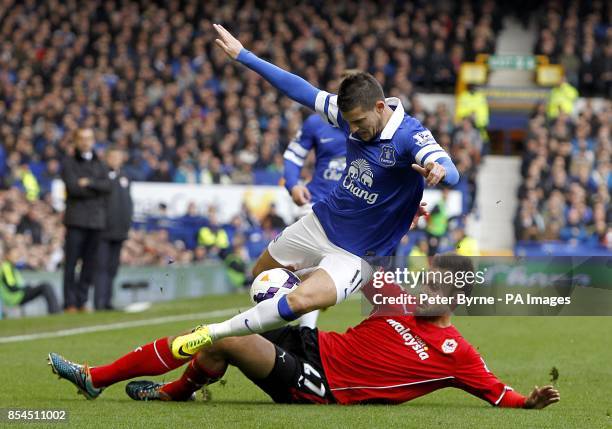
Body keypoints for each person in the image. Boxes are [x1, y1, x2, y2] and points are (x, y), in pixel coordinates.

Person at [167, 24, 460, 359]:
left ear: (381, 107)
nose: (352, 130)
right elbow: (299, 89)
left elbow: (448, 169)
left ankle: (212, 334)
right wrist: (244, 56)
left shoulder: (410, 136)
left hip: (357, 253)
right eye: (348, 122)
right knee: (260, 278)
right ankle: (287, 319)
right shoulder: (349, 115)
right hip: (321, 222)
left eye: (359, 121)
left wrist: (439, 170)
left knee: (299, 301)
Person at [47, 254, 559, 410]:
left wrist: (529, 402)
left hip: (321, 386)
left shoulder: (457, 352)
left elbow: (498, 393)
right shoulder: (396, 302)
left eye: (436, 287)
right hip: (314, 346)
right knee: (247, 318)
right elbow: (358, 265)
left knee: (223, 337)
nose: (422, 289)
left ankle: (102, 378)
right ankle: (176, 391)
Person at [283, 72, 352, 329]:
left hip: (352, 211)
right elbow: (293, 155)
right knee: (312, 266)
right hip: (316, 203)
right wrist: (293, 185)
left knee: (325, 276)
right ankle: (305, 333)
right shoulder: (316, 123)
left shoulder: (373, 127)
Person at [61, 128, 111, 312]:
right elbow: (74, 188)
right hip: (75, 220)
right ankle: (69, 302)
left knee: (89, 263)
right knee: (71, 263)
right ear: (75, 140)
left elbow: (107, 186)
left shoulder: (100, 163)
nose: (85, 141)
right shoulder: (69, 162)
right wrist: (95, 187)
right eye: (81, 138)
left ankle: (82, 300)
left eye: (89, 138)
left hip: (96, 221)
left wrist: (88, 182)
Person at [93, 146, 133, 311]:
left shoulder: (124, 176)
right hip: (103, 230)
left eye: (119, 157)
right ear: (107, 158)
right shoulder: (100, 174)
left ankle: (108, 301)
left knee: (112, 267)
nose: (117, 160)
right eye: (114, 157)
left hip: (120, 230)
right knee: (101, 267)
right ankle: (99, 302)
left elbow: (128, 203)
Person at [0, 245, 60, 315]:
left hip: (17, 295)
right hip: (15, 297)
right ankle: (55, 312)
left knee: (44, 286)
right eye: (14, 254)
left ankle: (55, 311)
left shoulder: (11, 267)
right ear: (7, 255)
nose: (16, 256)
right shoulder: (6, 267)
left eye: (17, 254)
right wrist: (26, 288)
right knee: (45, 286)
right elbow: (11, 286)